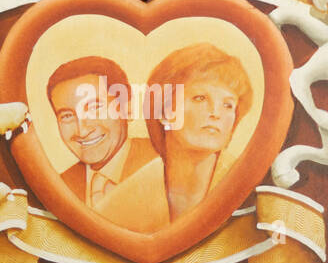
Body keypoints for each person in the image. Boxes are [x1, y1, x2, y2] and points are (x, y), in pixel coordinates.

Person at [95, 44, 253, 233]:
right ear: (164, 111)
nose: (216, 113)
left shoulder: (250, 190)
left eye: (228, 105)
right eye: (200, 98)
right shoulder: (121, 204)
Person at [46, 56, 156, 208]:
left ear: (127, 108)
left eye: (95, 108)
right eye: (67, 116)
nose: (82, 131)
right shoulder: (59, 187)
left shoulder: (165, 164)